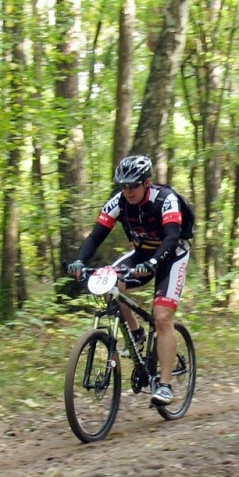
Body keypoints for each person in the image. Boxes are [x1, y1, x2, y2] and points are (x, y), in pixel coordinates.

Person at [66, 155, 191, 406]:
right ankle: (136, 333)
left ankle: (165, 385)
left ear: (147, 182)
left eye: (133, 185)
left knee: (163, 318)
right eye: (123, 186)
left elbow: (171, 237)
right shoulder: (119, 202)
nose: (128, 191)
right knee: (109, 283)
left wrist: (154, 264)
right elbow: (96, 236)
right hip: (142, 254)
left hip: (172, 255)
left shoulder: (166, 200)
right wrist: (80, 261)